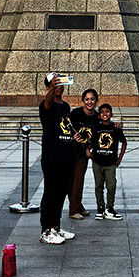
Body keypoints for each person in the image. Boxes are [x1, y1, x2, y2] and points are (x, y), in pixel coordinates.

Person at [37, 72, 77, 245]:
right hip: (52, 155)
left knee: (62, 191)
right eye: (54, 83)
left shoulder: (66, 106)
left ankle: (56, 226)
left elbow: (66, 127)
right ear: (48, 87)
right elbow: (48, 102)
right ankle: (46, 229)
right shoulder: (46, 104)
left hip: (66, 154)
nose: (59, 86)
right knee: (50, 192)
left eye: (60, 83)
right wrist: (52, 89)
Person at [88, 103, 126, 220]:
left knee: (111, 186)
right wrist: (87, 150)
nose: (105, 114)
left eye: (107, 111)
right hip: (97, 161)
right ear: (99, 115)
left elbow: (124, 142)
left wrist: (119, 159)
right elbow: (92, 141)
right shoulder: (96, 127)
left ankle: (109, 207)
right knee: (98, 185)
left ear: (111, 114)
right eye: (102, 112)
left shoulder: (115, 128)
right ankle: (100, 207)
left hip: (110, 162)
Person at [68, 88, 100, 220]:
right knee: (71, 181)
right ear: (83, 100)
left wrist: (89, 148)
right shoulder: (75, 113)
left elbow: (98, 135)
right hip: (70, 150)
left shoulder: (97, 117)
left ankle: (77, 206)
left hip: (83, 152)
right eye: (87, 99)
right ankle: (74, 209)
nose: (89, 102)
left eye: (92, 99)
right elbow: (67, 127)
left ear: (96, 100)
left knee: (78, 181)